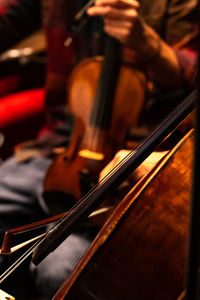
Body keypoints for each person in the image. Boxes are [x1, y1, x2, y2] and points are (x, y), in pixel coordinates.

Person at [0, 0, 197, 299]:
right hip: (61, 146)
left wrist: (147, 44)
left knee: (61, 271)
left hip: (135, 160)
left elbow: (191, 74)